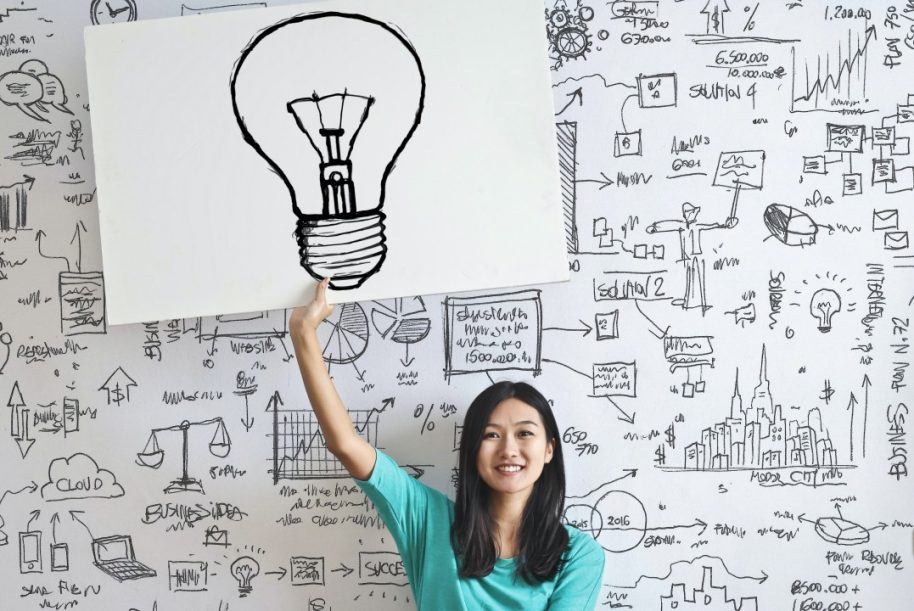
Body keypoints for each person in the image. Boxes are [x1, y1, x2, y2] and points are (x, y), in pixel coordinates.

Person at [289, 278, 605, 610]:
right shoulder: (428, 519)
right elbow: (345, 445)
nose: (509, 449)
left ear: (550, 450)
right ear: (472, 449)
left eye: (525, 433)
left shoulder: (578, 554)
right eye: (491, 434)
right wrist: (303, 331)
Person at [646, 202, 738, 313]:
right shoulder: (681, 226)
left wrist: (724, 225)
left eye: (694, 213)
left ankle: (701, 303)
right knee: (691, 279)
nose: (694, 215)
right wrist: (655, 228)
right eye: (692, 213)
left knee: (699, 279)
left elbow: (711, 225)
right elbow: (668, 225)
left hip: (697, 256)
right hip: (688, 257)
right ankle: (690, 303)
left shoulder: (696, 226)